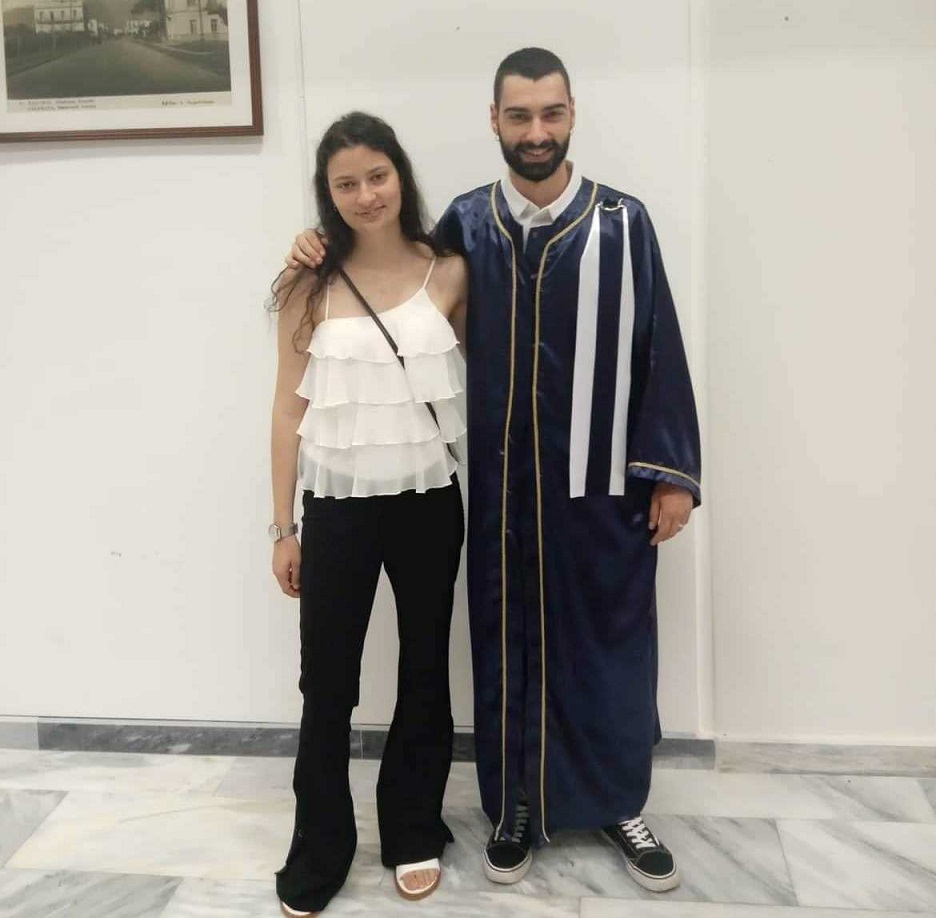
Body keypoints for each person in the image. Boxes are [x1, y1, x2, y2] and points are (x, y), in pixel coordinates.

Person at [284, 48, 701, 895]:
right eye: (519, 116)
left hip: (601, 490)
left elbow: (659, 346)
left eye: (551, 113)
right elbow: (390, 267)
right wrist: (316, 242)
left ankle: (621, 802)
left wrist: (671, 474)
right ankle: (514, 806)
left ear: (572, 113)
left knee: (612, 643)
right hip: (501, 489)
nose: (536, 131)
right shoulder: (469, 228)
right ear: (495, 122)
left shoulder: (625, 224)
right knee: (506, 644)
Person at [269, 111, 468, 916]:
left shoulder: (450, 272)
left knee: (424, 668)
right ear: (328, 193)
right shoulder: (307, 284)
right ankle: (320, 847)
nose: (365, 195)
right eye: (345, 183)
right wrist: (283, 527)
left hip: (430, 500)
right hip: (338, 507)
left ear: (400, 176)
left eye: (377, 176)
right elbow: (287, 409)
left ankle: (413, 828)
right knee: (327, 683)